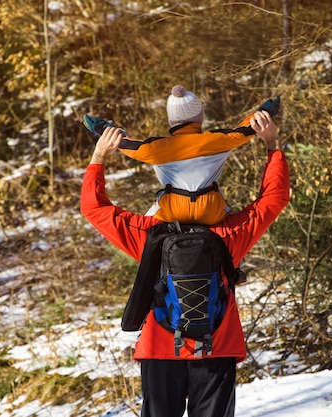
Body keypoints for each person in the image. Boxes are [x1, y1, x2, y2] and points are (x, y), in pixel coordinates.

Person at [80, 110, 289, 417]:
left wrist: (99, 156)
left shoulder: (150, 237)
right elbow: (275, 198)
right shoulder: (230, 234)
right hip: (217, 347)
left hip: (159, 348)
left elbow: (94, 208)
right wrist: (272, 144)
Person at [83, 86, 280, 225]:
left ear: (171, 121)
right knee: (234, 225)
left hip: (171, 211)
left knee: (147, 225)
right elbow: (245, 130)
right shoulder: (217, 140)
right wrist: (264, 112)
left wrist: (103, 128)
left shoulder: (158, 148)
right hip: (211, 209)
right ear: (200, 117)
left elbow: (127, 144)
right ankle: (238, 265)